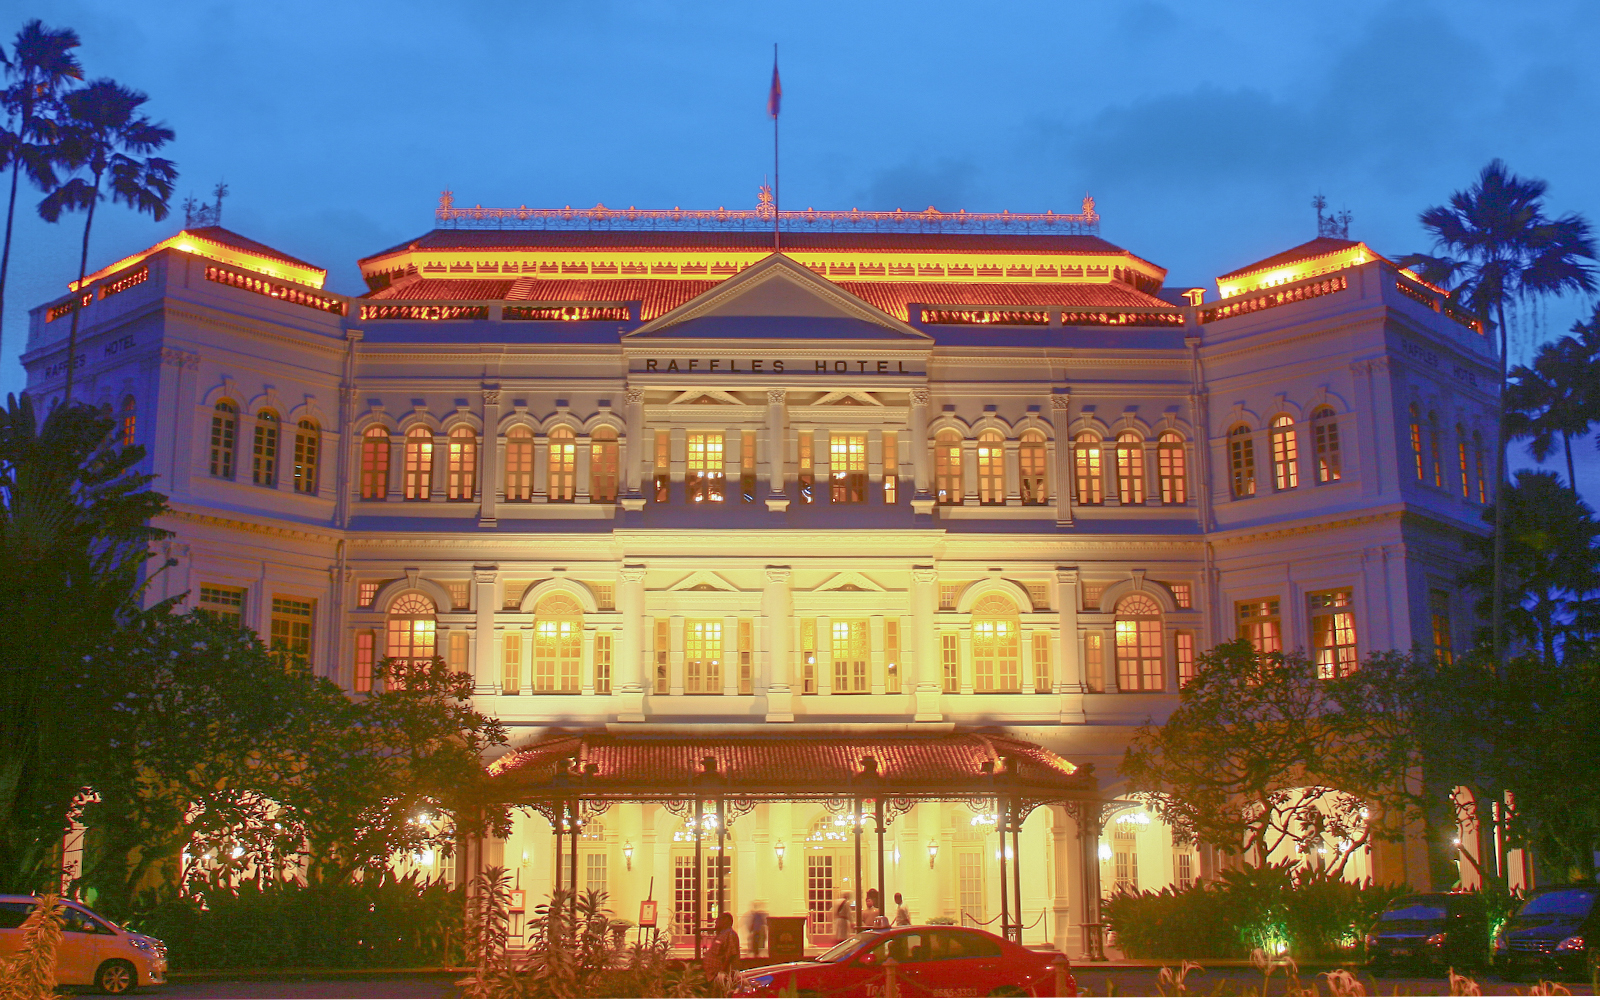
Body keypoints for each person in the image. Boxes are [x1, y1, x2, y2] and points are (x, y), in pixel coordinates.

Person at [704, 911, 741, 983]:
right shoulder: (721, 934)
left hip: (722, 977)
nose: (716, 922)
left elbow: (730, 955)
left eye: (718, 920)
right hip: (713, 975)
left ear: (724, 921)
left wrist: (722, 972)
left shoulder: (729, 934)